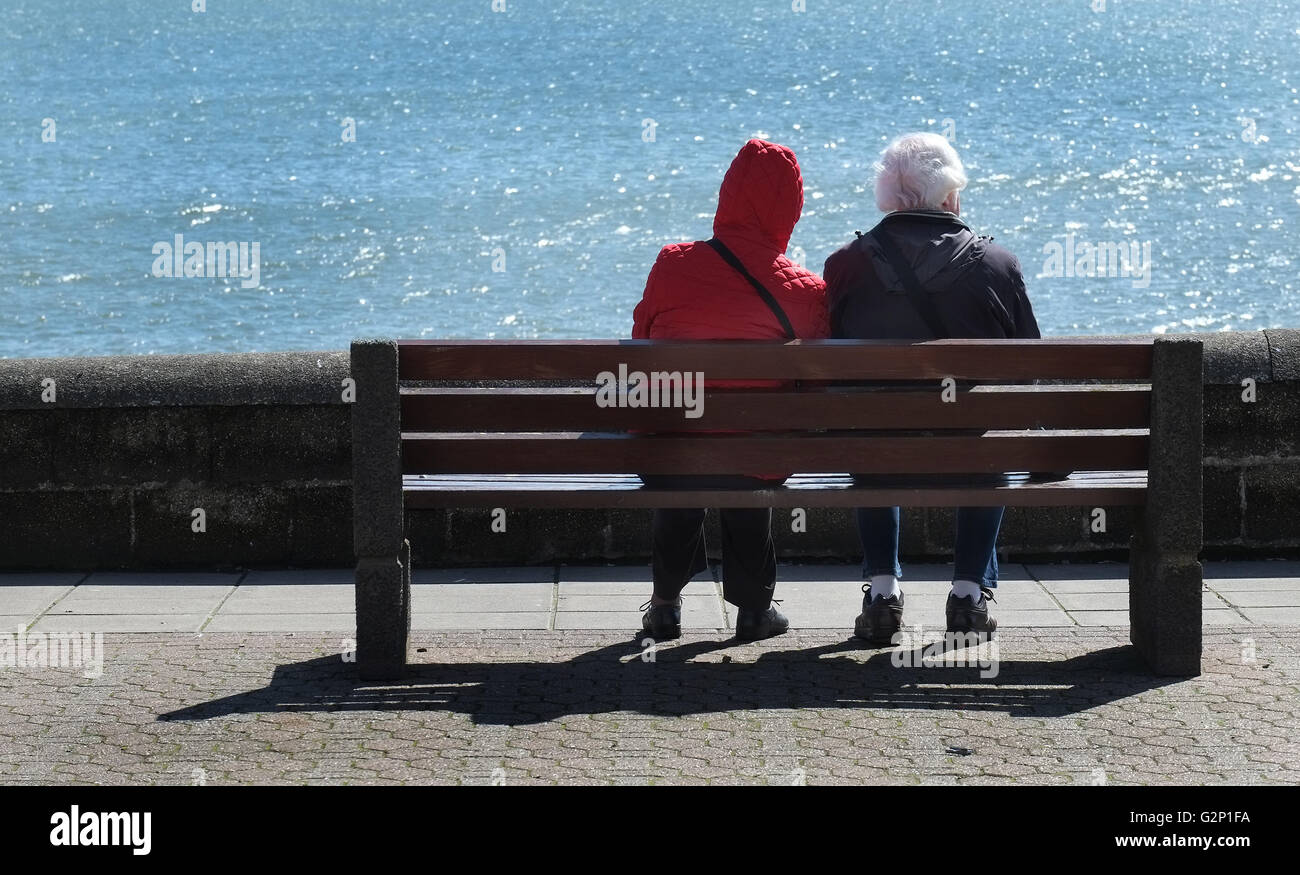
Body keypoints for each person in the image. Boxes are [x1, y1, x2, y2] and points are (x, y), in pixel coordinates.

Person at [823, 132, 1040, 644]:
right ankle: (967, 596)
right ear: (950, 196)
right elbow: (1027, 368)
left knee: (872, 431)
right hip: (969, 450)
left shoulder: (846, 264)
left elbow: (827, 364)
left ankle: (882, 594)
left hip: (878, 449)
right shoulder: (997, 265)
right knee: (987, 439)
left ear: (886, 198)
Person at [632, 138, 829, 641]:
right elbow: (818, 379)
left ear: (726, 196)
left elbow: (642, 340)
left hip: (673, 448)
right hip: (755, 452)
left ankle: (665, 603)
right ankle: (753, 609)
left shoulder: (672, 263)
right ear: (790, 208)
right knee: (752, 452)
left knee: (683, 447)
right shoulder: (804, 291)